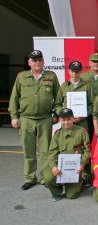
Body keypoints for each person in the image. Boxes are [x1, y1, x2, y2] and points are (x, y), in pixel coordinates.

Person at [9, 50, 60, 189]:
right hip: (26, 119)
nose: (37, 62)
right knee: (28, 150)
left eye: (40, 60)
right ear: (29, 62)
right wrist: (14, 116)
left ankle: (45, 177)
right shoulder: (22, 76)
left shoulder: (51, 76)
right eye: (34, 60)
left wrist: (56, 115)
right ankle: (30, 178)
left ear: (43, 61)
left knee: (45, 150)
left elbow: (59, 98)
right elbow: (14, 97)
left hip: (45, 119)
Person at [43, 108, 89, 201]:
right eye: (63, 120)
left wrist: (82, 164)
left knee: (71, 195)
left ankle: (80, 183)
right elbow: (52, 153)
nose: (66, 122)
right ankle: (57, 192)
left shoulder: (82, 132)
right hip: (61, 168)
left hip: (76, 169)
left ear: (73, 119)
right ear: (59, 120)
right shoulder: (57, 134)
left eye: (68, 119)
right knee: (47, 176)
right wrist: (54, 167)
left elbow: (88, 151)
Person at [54, 61, 94, 131]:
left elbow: (92, 105)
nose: (74, 73)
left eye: (77, 71)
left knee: (82, 141)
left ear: (81, 71)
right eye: (73, 71)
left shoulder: (87, 87)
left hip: (82, 123)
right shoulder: (64, 86)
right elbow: (57, 105)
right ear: (69, 71)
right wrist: (65, 114)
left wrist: (83, 115)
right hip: (67, 122)